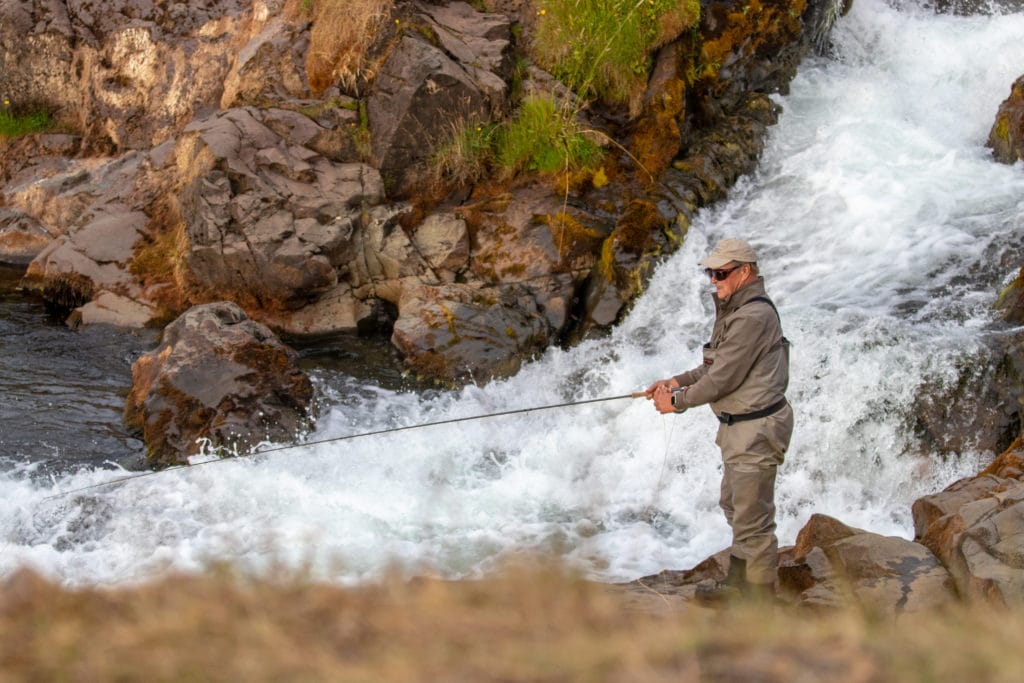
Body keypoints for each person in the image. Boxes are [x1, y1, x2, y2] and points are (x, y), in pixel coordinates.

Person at [646, 237, 793, 600]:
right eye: (712, 272)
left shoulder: (753, 316)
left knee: (753, 523)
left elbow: (722, 379)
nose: (714, 279)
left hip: (755, 428)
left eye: (721, 273)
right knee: (734, 505)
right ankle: (739, 587)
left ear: (745, 272)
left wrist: (676, 402)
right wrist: (675, 381)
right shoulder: (735, 309)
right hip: (739, 428)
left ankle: (757, 603)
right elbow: (714, 366)